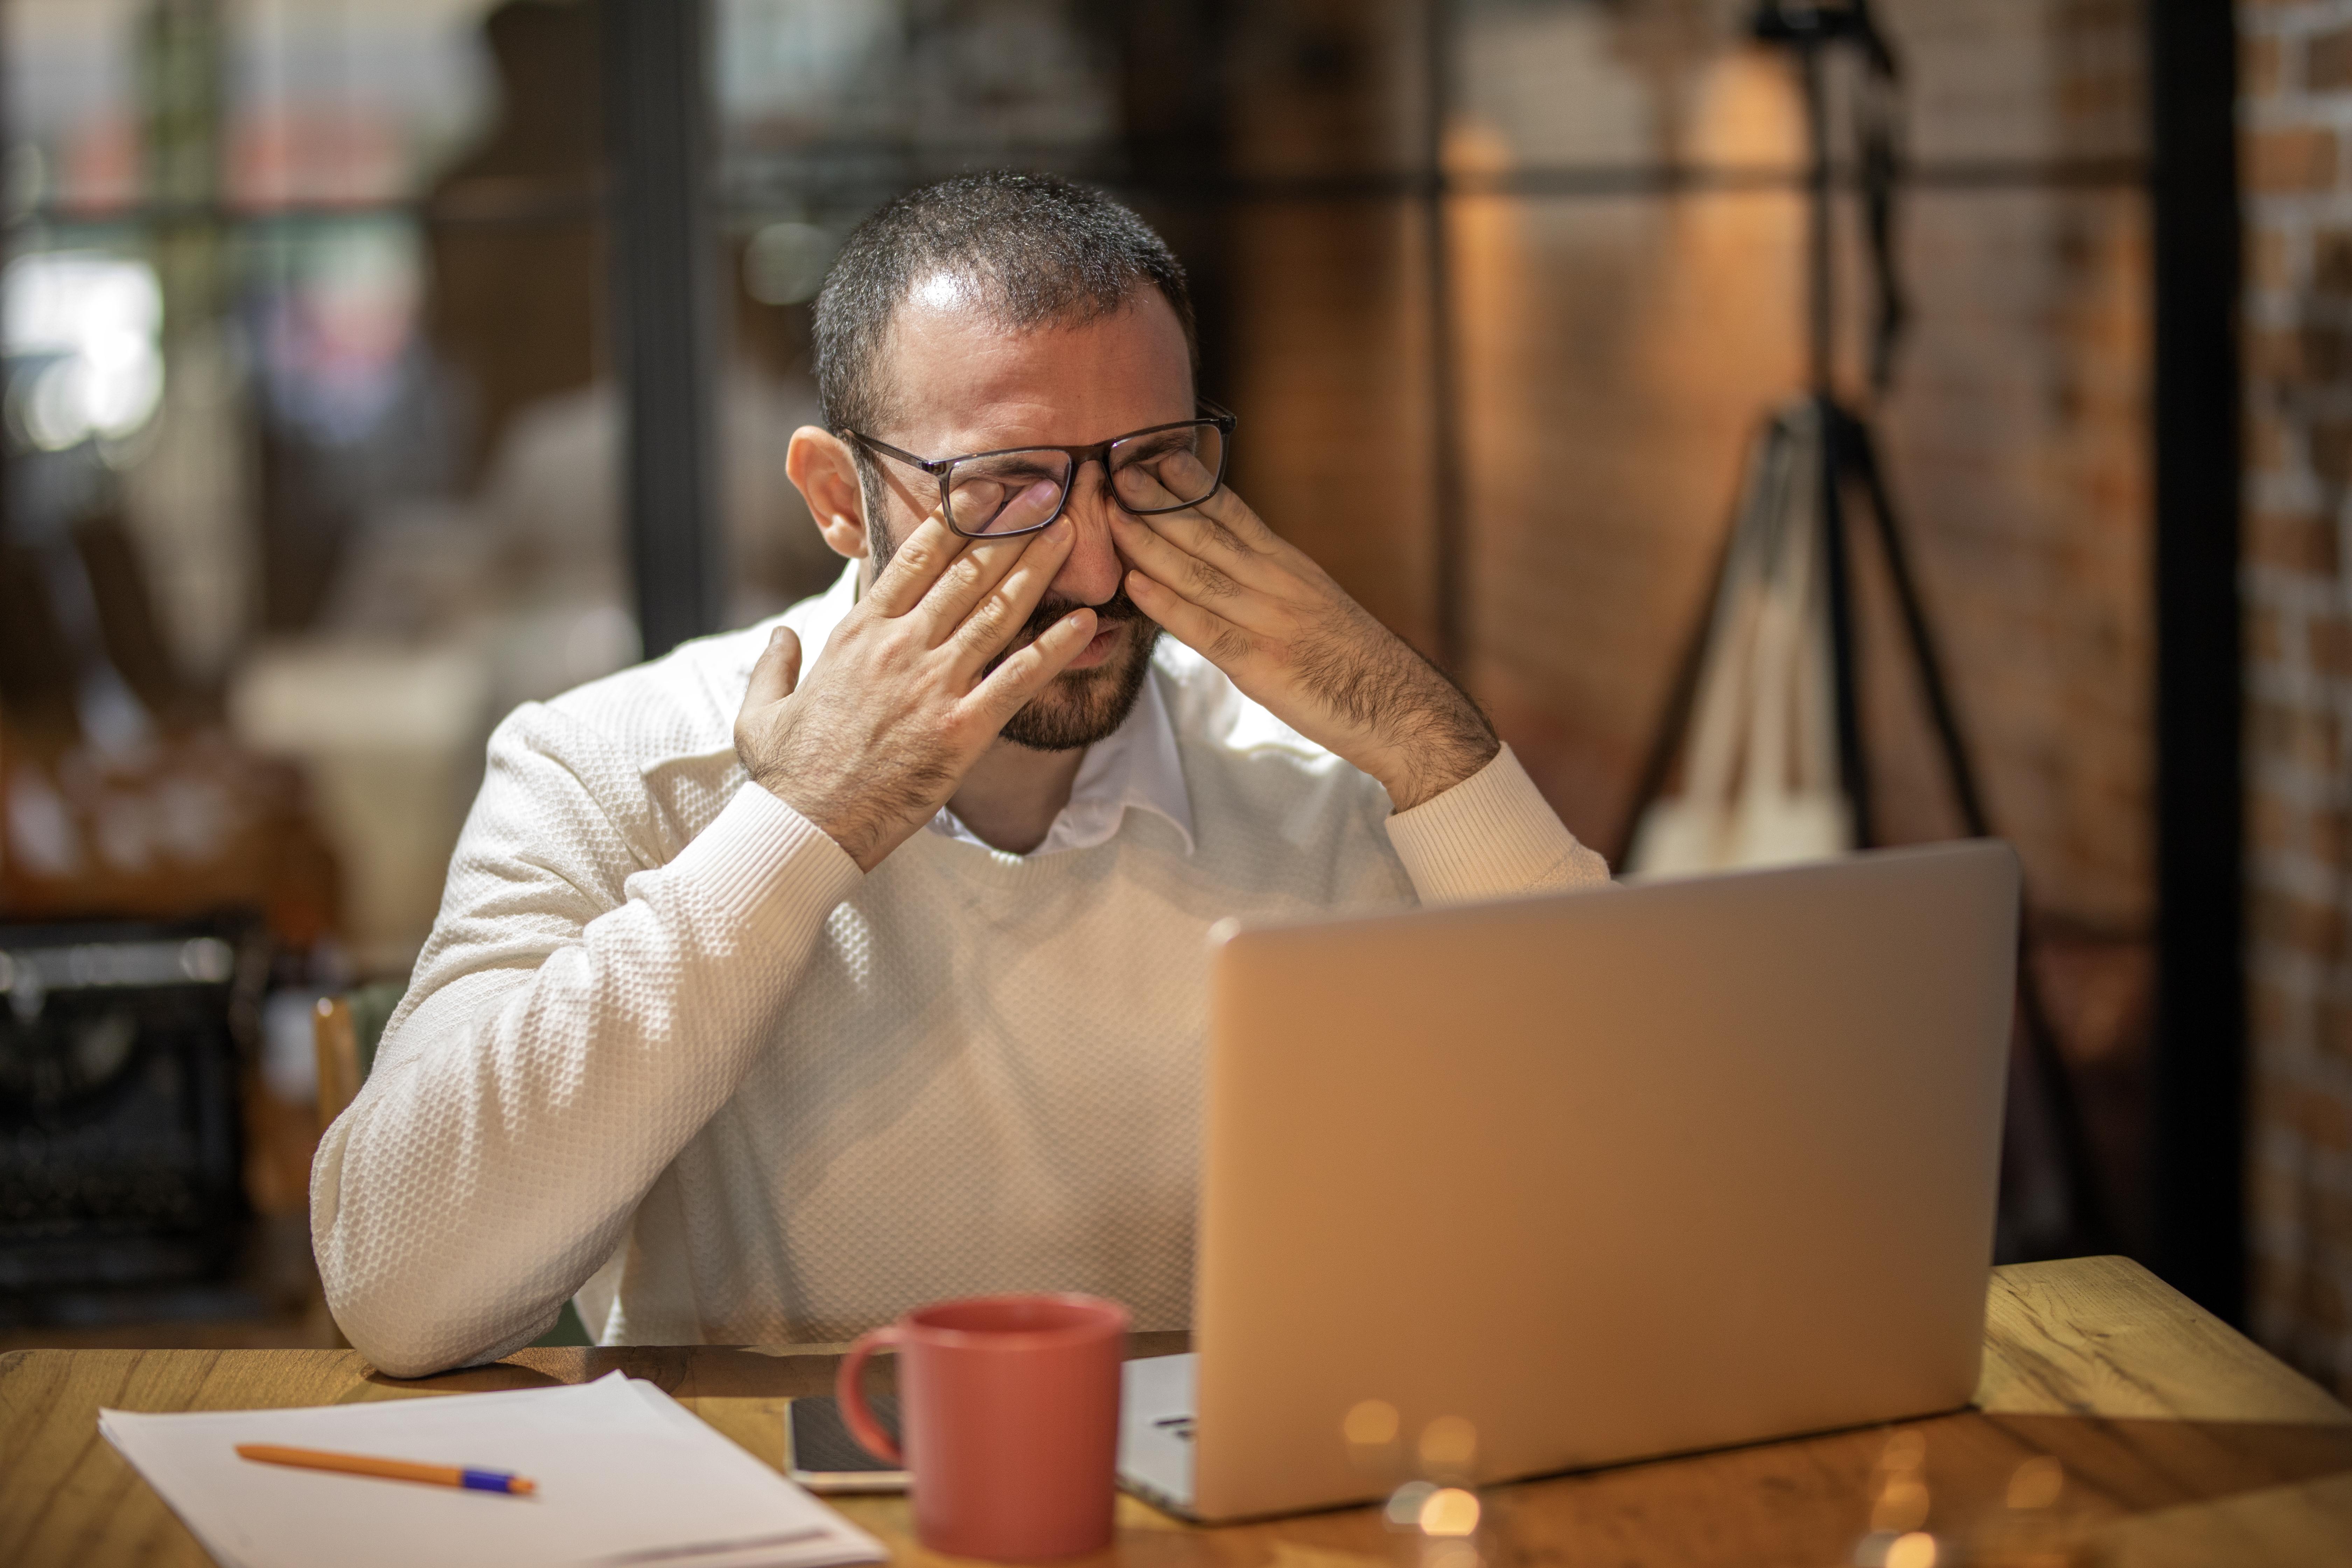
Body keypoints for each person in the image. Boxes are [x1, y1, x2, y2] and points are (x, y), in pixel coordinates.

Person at [312, 172, 1610, 1377]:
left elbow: (1637, 1186)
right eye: (1011, 487)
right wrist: (794, 826)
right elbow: (400, 1286)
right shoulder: (607, 764)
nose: (1100, 572)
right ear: (837, 497)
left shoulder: (1322, 774)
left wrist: (1430, 746)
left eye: (1153, 468)